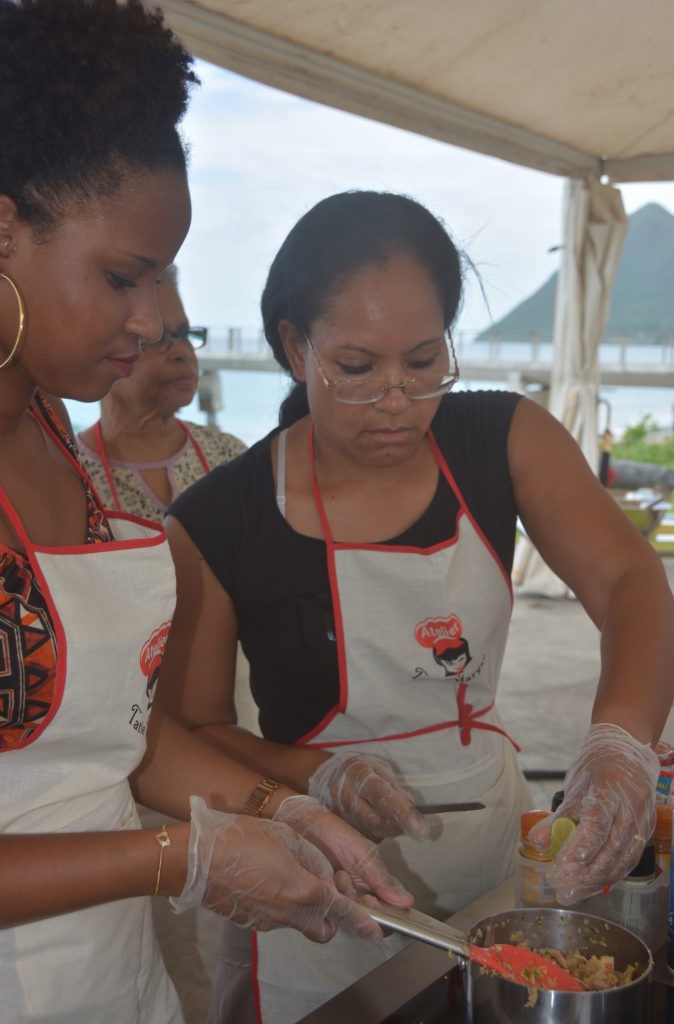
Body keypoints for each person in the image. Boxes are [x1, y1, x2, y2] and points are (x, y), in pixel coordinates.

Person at [161, 190, 674, 1023]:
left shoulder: (504, 439)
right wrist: (315, 774)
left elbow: (630, 582)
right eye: (357, 369)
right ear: (296, 348)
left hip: (491, 869)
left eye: (425, 361)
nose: (397, 400)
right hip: (317, 888)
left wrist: (620, 742)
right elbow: (192, 732)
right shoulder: (222, 518)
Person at [0, 9, 411, 1024]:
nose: (152, 320)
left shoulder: (54, 430)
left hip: (115, 981)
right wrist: (184, 855)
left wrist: (281, 808)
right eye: (124, 276)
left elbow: (112, 738)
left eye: (165, 272)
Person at [78, 264, 245, 521]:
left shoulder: (229, 457)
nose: (183, 353)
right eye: (158, 338)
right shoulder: (73, 475)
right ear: (101, 348)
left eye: (184, 334)